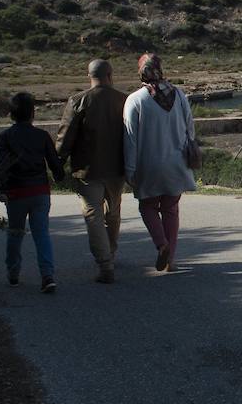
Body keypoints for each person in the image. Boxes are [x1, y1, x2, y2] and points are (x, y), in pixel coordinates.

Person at [123, 53, 197, 272]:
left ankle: (161, 244)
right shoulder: (179, 95)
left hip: (149, 165)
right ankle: (170, 260)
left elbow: (130, 138)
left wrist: (129, 169)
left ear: (141, 72)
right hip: (177, 164)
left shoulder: (135, 100)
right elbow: (190, 130)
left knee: (147, 206)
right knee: (171, 209)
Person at [56, 58, 128, 284]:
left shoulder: (78, 101)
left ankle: (105, 263)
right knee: (113, 213)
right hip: (117, 168)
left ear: (89, 76)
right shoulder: (124, 100)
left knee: (93, 216)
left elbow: (65, 137)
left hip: (87, 170)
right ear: (110, 75)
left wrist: (57, 162)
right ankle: (111, 253)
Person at [0, 92, 65, 294]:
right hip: (39, 191)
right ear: (33, 113)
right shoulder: (41, 136)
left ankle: (13, 273)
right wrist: (59, 176)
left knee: (15, 233)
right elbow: (54, 163)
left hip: (16, 192)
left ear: (11, 114)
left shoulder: (5, 137)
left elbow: (1, 166)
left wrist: (0, 189)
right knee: (41, 234)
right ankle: (47, 276)